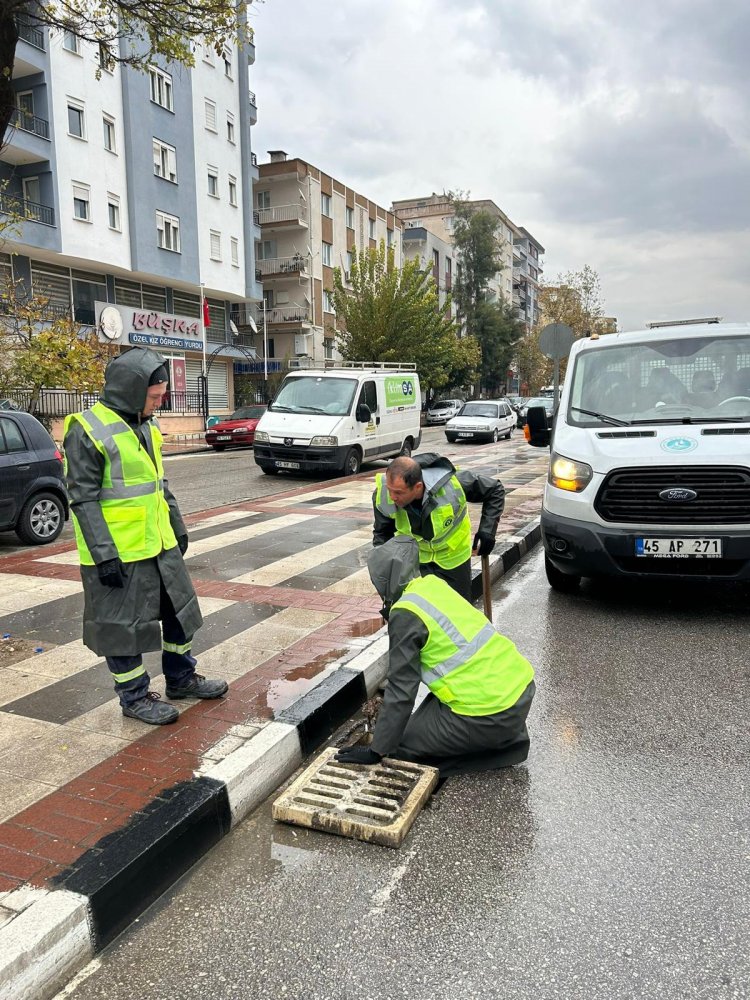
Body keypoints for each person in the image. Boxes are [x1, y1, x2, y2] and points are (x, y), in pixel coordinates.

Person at [63, 348, 228, 725]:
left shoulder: (146, 425)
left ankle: (181, 678)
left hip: (159, 543)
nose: (159, 402)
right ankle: (134, 697)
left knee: (179, 613)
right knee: (122, 629)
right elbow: (83, 499)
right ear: (130, 391)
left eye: (161, 396)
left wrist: (178, 525)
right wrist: (104, 555)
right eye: (154, 397)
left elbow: (158, 484)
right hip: (118, 552)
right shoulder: (86, 429)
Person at [336, 537, 535, 776]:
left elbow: (402, 689)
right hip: (519, 691)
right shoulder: (431, 585)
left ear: (382, 581)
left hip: (491, 710)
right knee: (415, 722)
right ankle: (504, 735)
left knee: (401, 744)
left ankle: (491, 755)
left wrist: (377, 750)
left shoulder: (405, 614)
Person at [372, 453, 504, 601]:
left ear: (418, 487)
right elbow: (382, 534)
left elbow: (495, 490)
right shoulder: (384, 494)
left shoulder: (452, 484)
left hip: (453, 557)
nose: (392, 497)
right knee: (420, 614)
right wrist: (384, 570)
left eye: (398, 493)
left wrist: (488, 530)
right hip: (416, 560)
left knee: (456, 612)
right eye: (389, 489)